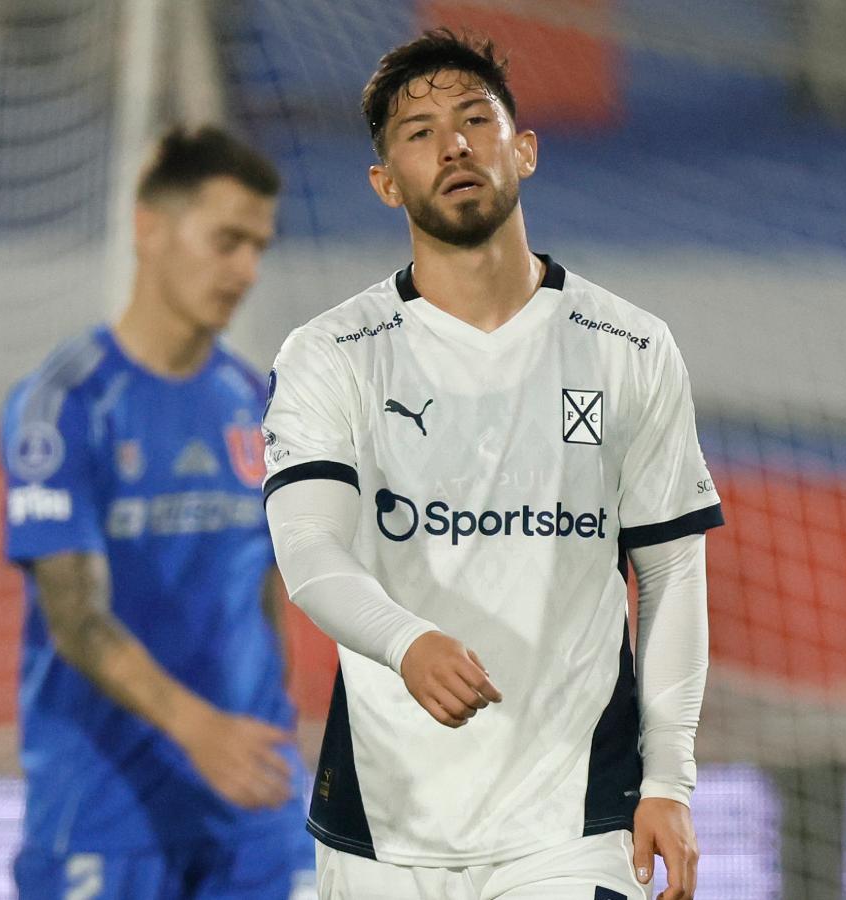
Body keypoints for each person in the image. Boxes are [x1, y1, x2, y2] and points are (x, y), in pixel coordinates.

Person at [261, 29, 721, 900]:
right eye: (421, 131)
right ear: (385, 183)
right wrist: (407, 642)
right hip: (384, 834)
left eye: (476, 119)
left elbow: (670, 574)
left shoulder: (630, 347)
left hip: (573, 824)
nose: (456, 144)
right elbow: (310, 552)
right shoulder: (333, 353)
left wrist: (670, 779)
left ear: (525, 150)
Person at [0, 125, 315, 900]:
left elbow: (265, 586)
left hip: (254, 811)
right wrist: (198, 728)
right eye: (227, 241)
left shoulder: (261, 404)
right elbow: (75, 619)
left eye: (258, 249)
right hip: (104, 814)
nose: (245, 270)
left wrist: (259, 727)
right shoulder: (63, 406)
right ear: (150, 228)